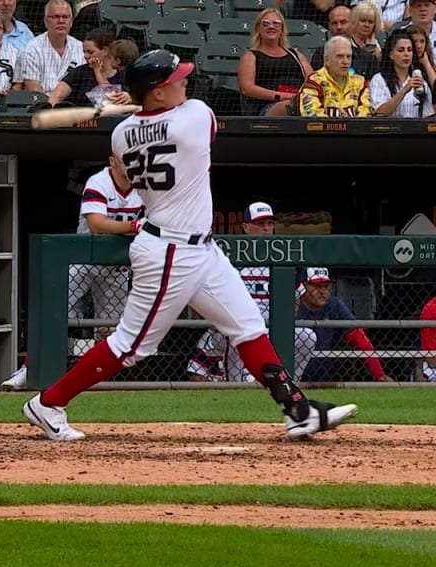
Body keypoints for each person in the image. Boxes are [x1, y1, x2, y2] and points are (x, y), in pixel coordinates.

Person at [22, 49, 357, 442]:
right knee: (130, 346)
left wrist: (140, 110)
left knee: (248, 326)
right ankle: (48, 402)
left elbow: (139, 148)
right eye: (174, 80)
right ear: (156, 93)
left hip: (200, 250)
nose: (184, 82)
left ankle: (299, 411)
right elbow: (174, 123)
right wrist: (144, 109)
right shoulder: (196, 117)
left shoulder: (120, 134)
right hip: (169, 252)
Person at [2, 154, 142, 391]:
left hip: (117, 267)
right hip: (83, 260)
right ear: (112, 161)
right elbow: (97, 225)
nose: (131, 165)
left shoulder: (144, 187)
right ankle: (28, 371)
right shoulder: (99, 182)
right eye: (124, 160)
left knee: (110, 329)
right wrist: (135, 226)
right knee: (51, 315)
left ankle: (98, 378)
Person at [186, 202, 312, 383]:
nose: (266, 229)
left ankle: (286, 383)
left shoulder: (284, 255)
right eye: (260, 224)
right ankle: (235, 386)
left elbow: (295, 301)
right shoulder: (228, 257)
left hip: (272, 326)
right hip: (233, 326)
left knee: (307, 336)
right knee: (235, 334)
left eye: (269, 224)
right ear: (245, 227)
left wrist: (279, 326)